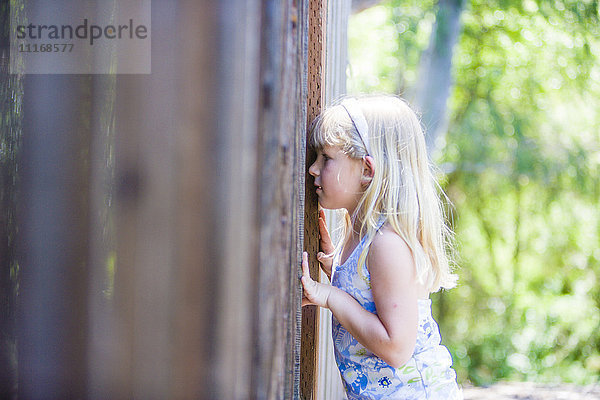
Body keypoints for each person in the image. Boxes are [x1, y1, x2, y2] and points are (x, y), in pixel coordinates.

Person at [301, 95, 462, 399]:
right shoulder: (358, 234)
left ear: (367, 171)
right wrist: (335, 267)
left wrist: (331, 296)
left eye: (326, 158)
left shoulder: (387, 244)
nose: (312, 169)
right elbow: (369, 296)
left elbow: (397, 347)